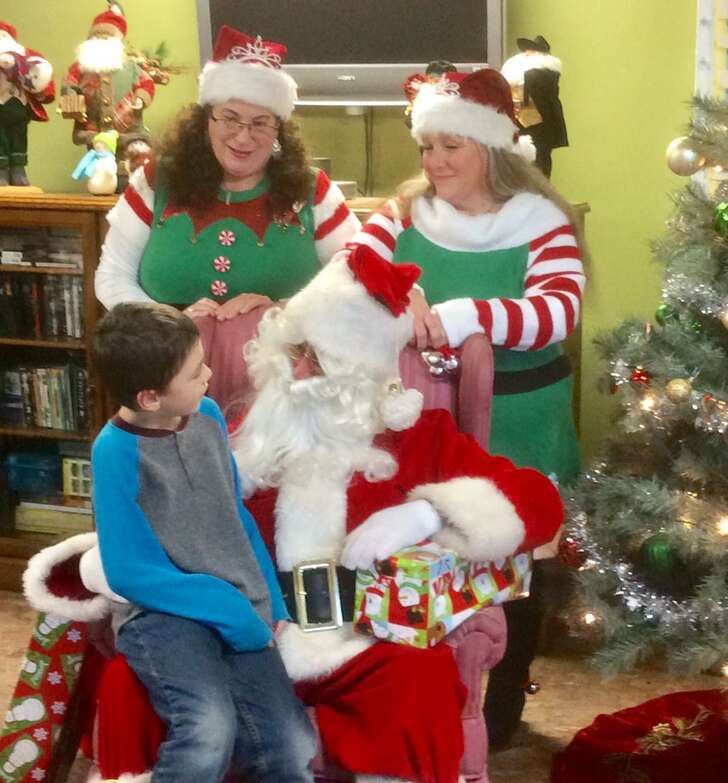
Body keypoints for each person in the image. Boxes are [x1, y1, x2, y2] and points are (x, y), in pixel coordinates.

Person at [345, 66, 587, 747]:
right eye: (428, 146)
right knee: (427, 552)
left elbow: (557, 312)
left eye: (453, 145)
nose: (435, 161)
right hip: (423, 421)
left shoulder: (543, 222)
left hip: (519, 417)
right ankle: (428, 689)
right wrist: (394, 293)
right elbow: (352, 267)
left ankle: (504, 698)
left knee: (516, 563)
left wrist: (461, 316)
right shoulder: (402, 212)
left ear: (491, 147)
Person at [84, 302, 315, 782]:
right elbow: (130, 571)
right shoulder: (114, 451)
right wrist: (226, 606)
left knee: (295, 744)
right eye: (195, 373)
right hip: (162, 615)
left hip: (237, 601)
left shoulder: (206, 416)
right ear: (150, 397)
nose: (209, 375)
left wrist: (271, 602)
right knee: (209, 728)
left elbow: (235, 518)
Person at [94, 24, 360, 407]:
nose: (243, 136)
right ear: (208, 120)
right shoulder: (156, 180)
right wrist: (165, 321)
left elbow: (356, 280)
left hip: (279, 391)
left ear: (278, 130)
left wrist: (280, 309)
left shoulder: (313, 191)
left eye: (260, 123)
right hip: (165, 382)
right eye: (230, 117)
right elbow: (111, 275)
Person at [60, 6, 156, 186]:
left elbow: (147, 83)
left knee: (130, 163)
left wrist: (141, 98)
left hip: (129, 131)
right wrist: (71, 100)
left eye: (107, 37)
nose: (101, 40)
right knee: (102, 166)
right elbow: (68, 84)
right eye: (97, 37)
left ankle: (129, 183)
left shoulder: (131, 68)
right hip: (95, 132)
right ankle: (103, 183)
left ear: (117, 41)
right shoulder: (80, 69)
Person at [501, 35, 568, 179]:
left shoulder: (544, 73)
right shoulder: (516, 72)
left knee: (540, 160)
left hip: (540, 125)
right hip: (518, 122)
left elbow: (541, 96)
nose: (526, 53)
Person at [0, 21, 55, 187]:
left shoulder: (26, 58)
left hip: (18, 106)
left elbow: (41, 78)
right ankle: (1, 170)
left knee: (19, 137)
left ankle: (18, 169)